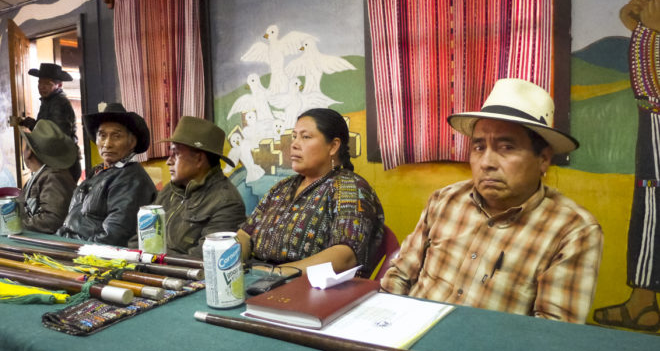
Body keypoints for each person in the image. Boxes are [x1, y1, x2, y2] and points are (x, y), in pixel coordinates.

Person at [381, 78, 603, 324]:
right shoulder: (445, 200)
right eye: (478, 147)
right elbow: (400, 275)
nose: (487, 163)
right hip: (408, 336)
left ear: (543, 159)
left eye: (506, 147)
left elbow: (551, 336)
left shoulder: (572, 231)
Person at [238, 108, 384, 277]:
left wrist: (276, 273)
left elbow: (345, 256)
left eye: (305, 137)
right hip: (258, 279)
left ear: (333, 146)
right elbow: (245, 233)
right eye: (294, 136)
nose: (294, 144)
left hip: (313, 290)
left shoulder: (350, 188)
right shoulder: (281, 188)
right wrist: (233, 263)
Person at [594, 0, 660, 332]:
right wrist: (639, 22)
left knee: (652, 199)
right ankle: (643, 301)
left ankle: (642, 302)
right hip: (651, 114)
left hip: (658, 115)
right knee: (648, 200)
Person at [128, 116, 246, 258]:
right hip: (152, 271)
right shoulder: (170, 190)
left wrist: (153, 258)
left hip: (183, 277)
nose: (168, 162)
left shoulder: (226, 202)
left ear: (199, 159)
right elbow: (139, 240)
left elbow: (202, 259)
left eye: (175, 154)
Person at [57, 103, 157, 246]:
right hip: (69, 245)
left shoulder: (132, 180)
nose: (107, 144)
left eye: (116, 136)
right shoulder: (98, 172)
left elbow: (113, 237)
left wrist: (74, 251)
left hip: (92, 256)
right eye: (102, 135)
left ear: (132, 142)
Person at [19, 63, 81, 181]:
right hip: (60, 161)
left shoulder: (58, 103)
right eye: (40, 83)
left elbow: (55, 135)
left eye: (47, 83)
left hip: (63, 163)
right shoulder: (49, 101)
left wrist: (34, 125)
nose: (42, 87)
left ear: (59, 85)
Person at [17, 119, 78, 234]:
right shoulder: (43, 175)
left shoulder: (54, 177)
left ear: (29, 151)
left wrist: (15, 225)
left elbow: (51, 221)